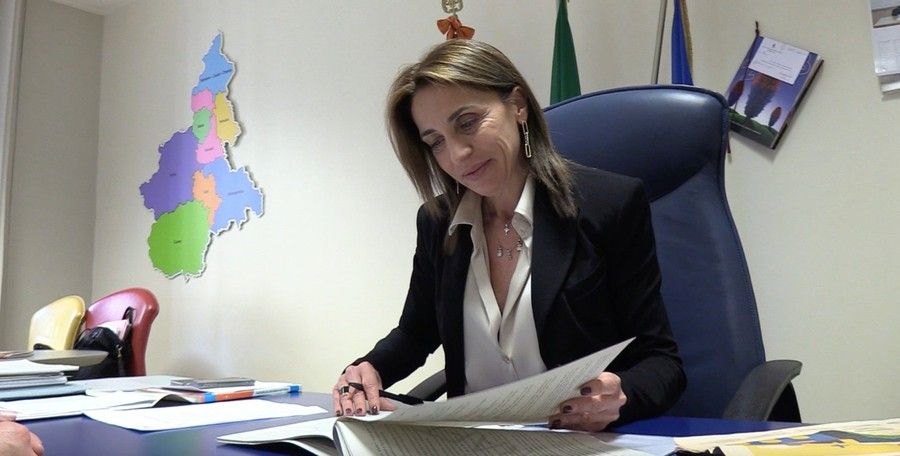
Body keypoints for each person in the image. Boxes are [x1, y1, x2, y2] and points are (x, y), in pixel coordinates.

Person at [333, 39, 685, 431]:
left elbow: (662, 362)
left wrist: (620, 396)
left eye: (467, 122)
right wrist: (367, 370)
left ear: (517, 105)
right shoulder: (437, 222)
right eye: (436, 142)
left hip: (573, 441)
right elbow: (416, 334)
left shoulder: (608, 205)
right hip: (469, 442)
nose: (457, 155)